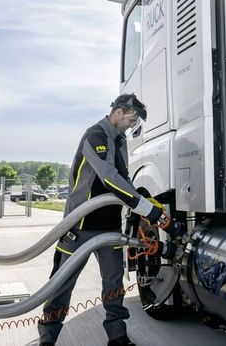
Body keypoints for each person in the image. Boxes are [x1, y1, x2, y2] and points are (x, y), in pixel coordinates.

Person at [38, 94, 179, 346]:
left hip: (109, 228)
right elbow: (110, 178)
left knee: (114, 287)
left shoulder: (119, 140)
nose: (133, 125)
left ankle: (118, 338)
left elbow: (125, 181)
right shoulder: (96, 136)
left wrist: (151, 205)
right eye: (132, 119)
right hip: (79, 227)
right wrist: (148, 210)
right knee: (61, 286)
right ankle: (47, 340)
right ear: (118, 113)